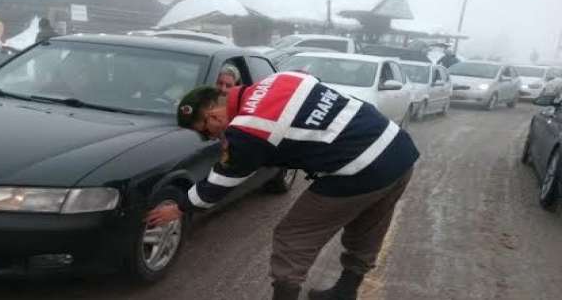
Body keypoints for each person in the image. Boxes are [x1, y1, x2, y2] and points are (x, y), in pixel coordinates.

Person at [147, 71, 420, 300]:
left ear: (214, 116)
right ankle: (346, 291)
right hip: (399, 149)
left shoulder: (248, 128)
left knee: (293, 236)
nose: (210, 138)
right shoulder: (281, 78)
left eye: (205, 132)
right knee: (369, 225)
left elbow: (223, 180)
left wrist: (181, 206)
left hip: (360, 168)